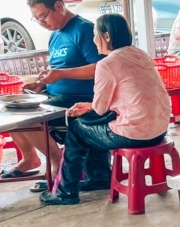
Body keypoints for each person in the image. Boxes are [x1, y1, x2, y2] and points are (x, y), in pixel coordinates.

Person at [39, 15, 170, 206]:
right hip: (159, 128)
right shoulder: (140, 54)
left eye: (95, 35)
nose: (93, 40)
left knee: (78, 128)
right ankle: (99, 177)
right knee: (94, 125)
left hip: (135, 134)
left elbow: (100, 109)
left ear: (106, 36)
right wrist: (89, 106)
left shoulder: (107, 64)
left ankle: (65, 192)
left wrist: (86, 109)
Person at [1, 0, 104, 188]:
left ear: (58, 6)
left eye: (43, 16)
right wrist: (42, 84)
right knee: (10, 108)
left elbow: (100, 68)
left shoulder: (83, 30)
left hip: (79, 99)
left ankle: (60, 165)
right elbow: (58, 68)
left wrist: (62, 74)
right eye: (37, 19)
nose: (42, 22)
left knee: (22, 118)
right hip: (56, 94)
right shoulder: (55, 35)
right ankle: (29, 158)